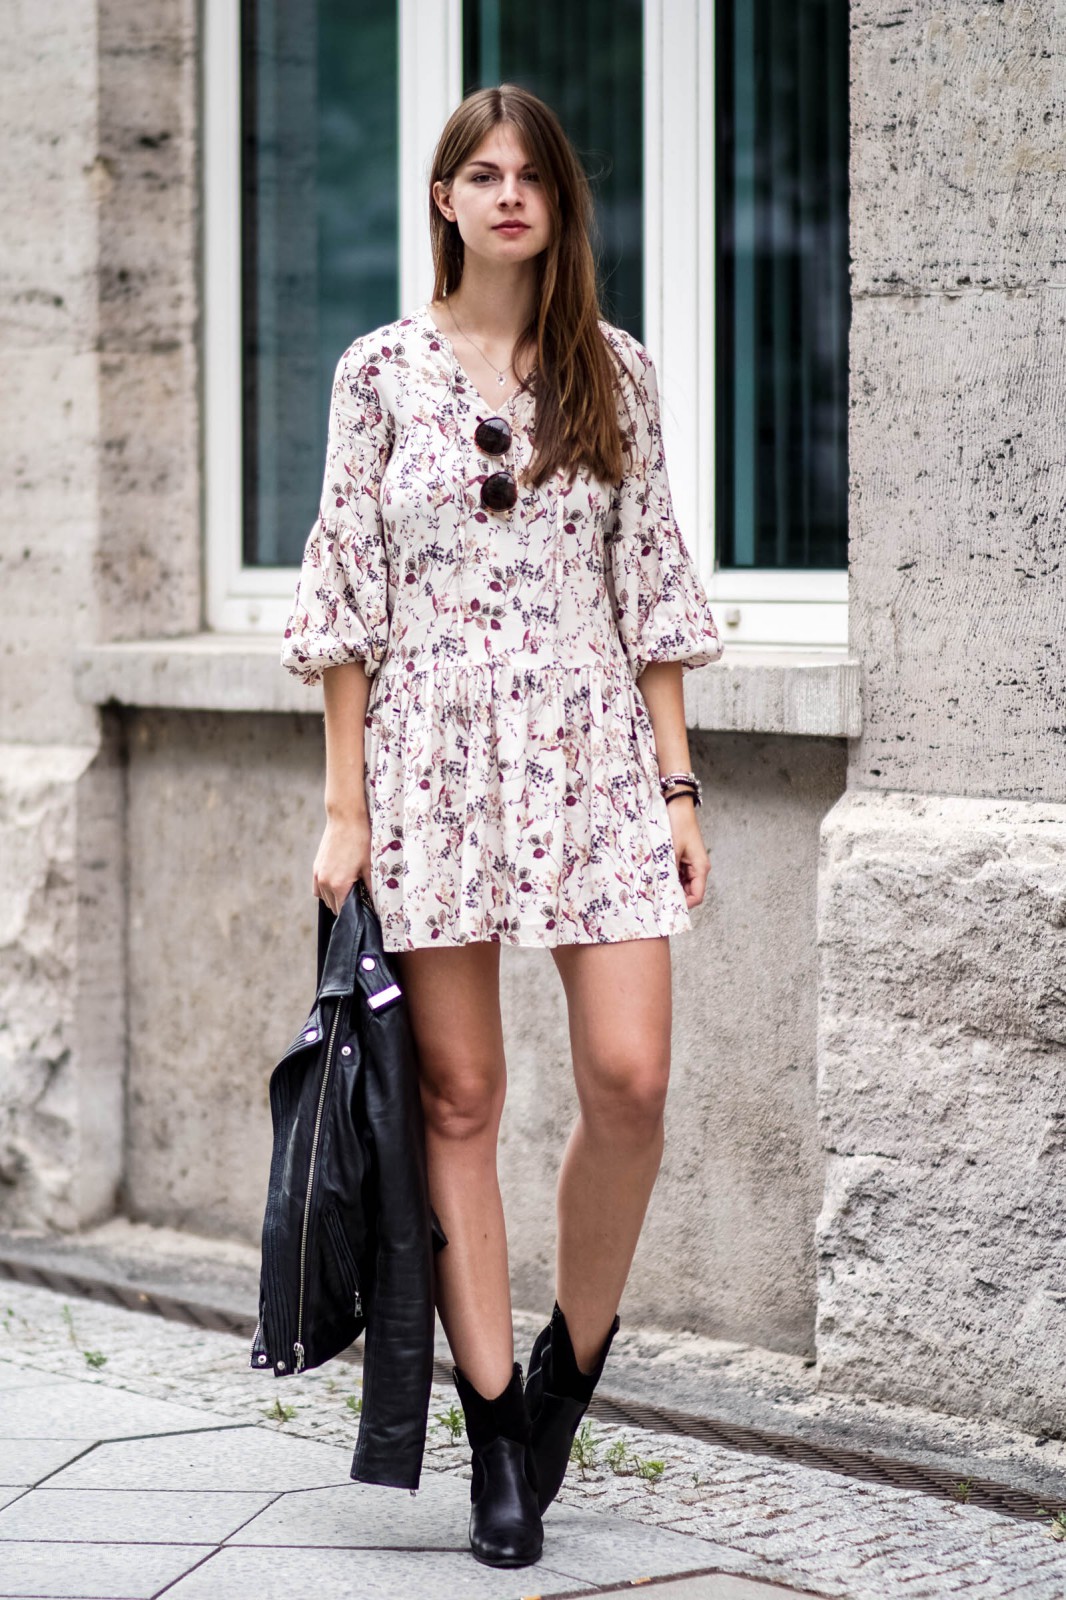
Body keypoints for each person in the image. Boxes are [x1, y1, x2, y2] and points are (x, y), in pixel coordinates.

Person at [281, 83, 723, 1571]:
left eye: (531, 174)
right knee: (457, 1103)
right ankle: (488, 1445)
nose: (509, 194)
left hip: (594, 757)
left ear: (559, 204)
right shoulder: (377, 374)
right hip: (428, 768)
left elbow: (652, 592)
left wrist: (675, 784)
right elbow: (342, 601)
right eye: (482, 173)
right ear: (445, 201)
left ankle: (558, 1385)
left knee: (630, 1078)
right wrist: (344, 807)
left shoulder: (617, 372)